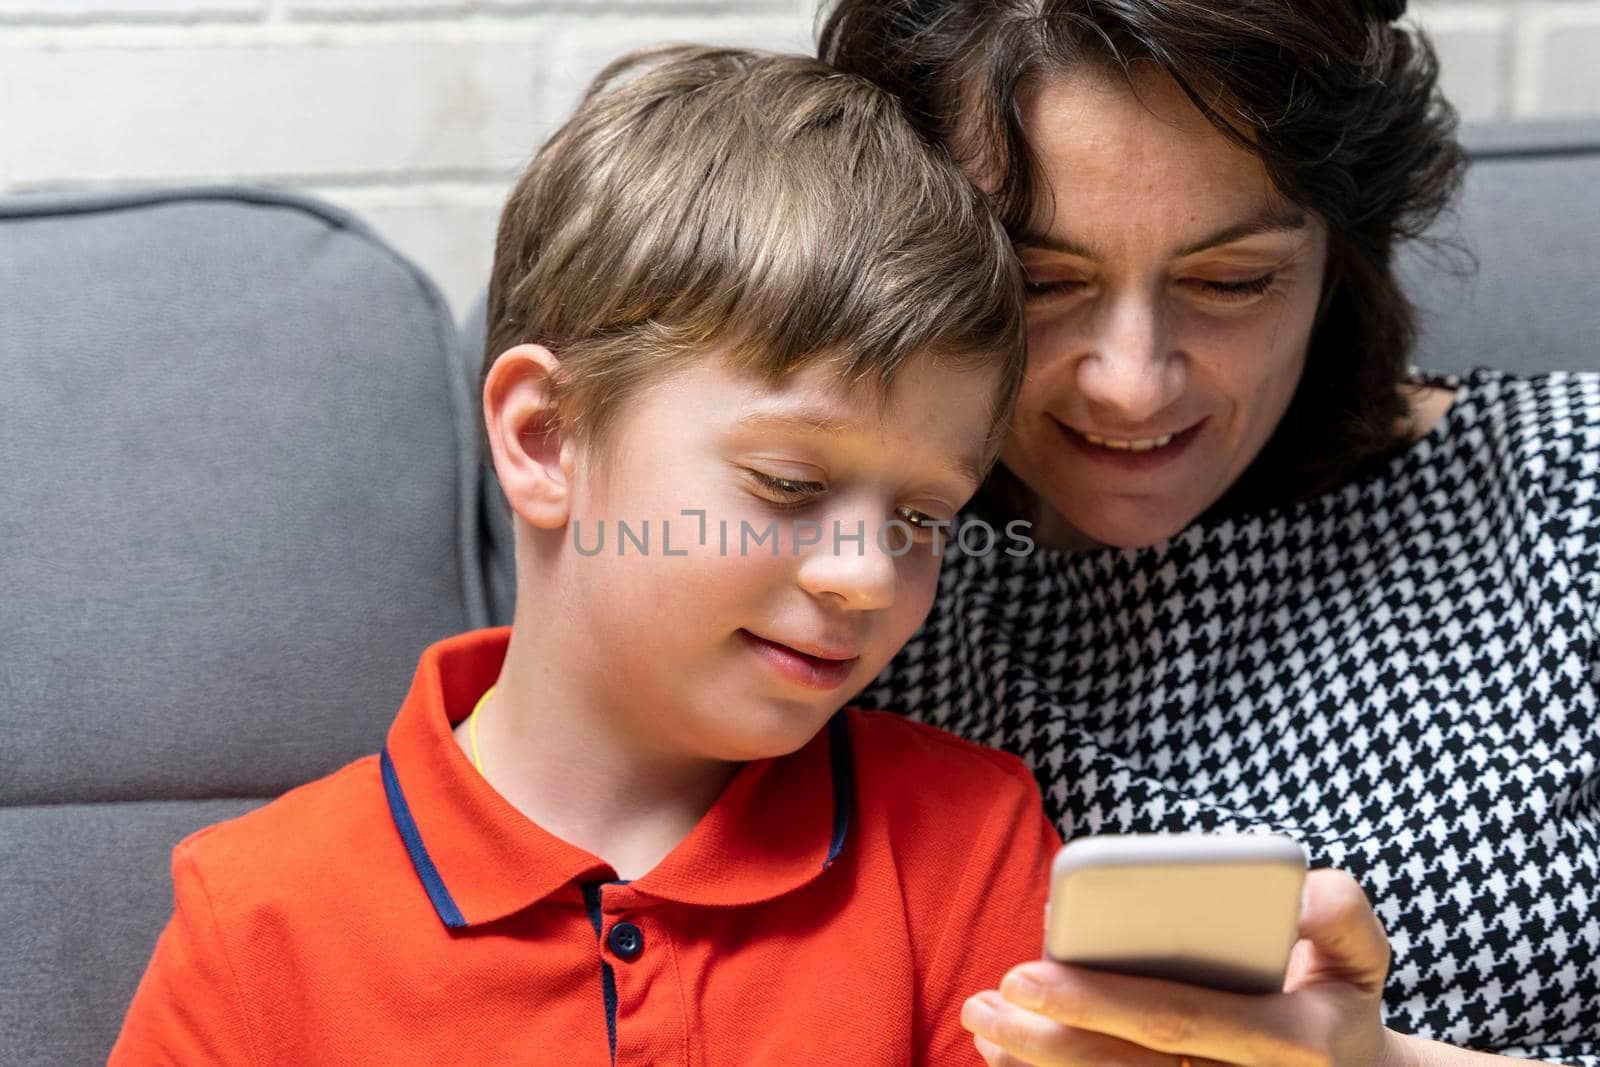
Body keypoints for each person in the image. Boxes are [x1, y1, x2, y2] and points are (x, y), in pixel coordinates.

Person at [108, 45, 1061, 1065]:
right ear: (544, 439)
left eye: (924, 517)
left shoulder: (971, 847)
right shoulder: (257, 923)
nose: (867, 573)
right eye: (789, 484)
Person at [819, 1, 1600, 1064]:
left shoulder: (1567, 484)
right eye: (1041, 283)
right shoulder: (847, 585)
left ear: (1340, 255)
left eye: (1230, 282)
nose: (1132, 384)